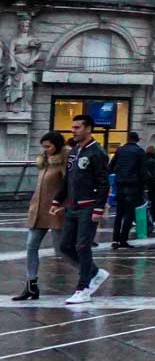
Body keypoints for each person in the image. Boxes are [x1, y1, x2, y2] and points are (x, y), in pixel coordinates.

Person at [52, 115, 110, 304]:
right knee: (65, 246)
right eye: (73, 127)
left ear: (88, 128)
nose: (73, 130)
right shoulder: (75, 151)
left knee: (83, 246)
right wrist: (57, 200)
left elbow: (103, 182)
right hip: (72, 205)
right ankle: (94, 272)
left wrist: (99, 208)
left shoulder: (97, 152)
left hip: (88, 205)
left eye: (77, 127)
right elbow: (68, 179)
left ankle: (83, 288)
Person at [14, 132, 67, 301]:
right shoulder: (44, 163)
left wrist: (62, 205)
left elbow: (69, 186)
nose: (46, 149)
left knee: (63, 250)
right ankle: (31, 285)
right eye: (43, 146)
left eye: (48, 146)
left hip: (56, 210)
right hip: (38, 210)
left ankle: (90, 275)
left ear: (57, 146)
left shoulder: (63, 162)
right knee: (31, 246)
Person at [107, 131, 146, 249]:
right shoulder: (139, 152)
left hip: (120, 184)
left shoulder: (120, 150)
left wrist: (118, 175)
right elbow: (142, 171)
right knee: (129, 214)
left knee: (119, 213)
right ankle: (123, 239)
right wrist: (143, 187)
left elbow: (110, 167)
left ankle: (115, 240)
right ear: (137, 140)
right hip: (133, 186)